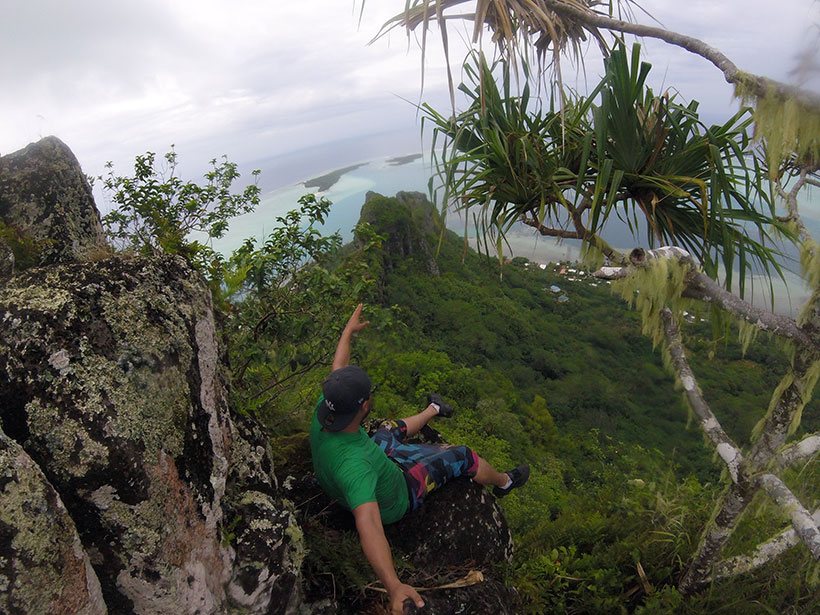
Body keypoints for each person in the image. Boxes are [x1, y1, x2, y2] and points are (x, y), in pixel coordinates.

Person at [310, 304, 530, 615]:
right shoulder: (355, 468)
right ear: (362, 407)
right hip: (399, 490)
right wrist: (393, 585)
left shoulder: (328, 409)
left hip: (372, 459)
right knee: (461, 455)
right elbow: (369, 523)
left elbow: (338, 367)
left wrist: (348, 331)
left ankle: (433, 410)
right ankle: (504, 481)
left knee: (388, 428)